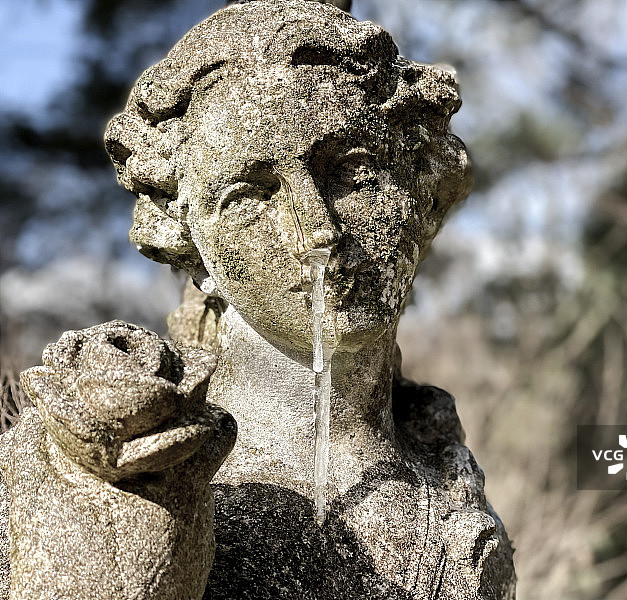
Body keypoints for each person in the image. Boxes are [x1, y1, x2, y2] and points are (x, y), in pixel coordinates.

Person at [2, 1, 516, 598]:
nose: (318, 229)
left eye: (353, 173)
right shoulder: (93, 471)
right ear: (186, 232)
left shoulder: (442, 474)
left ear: (421, 190)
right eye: (250, 195)